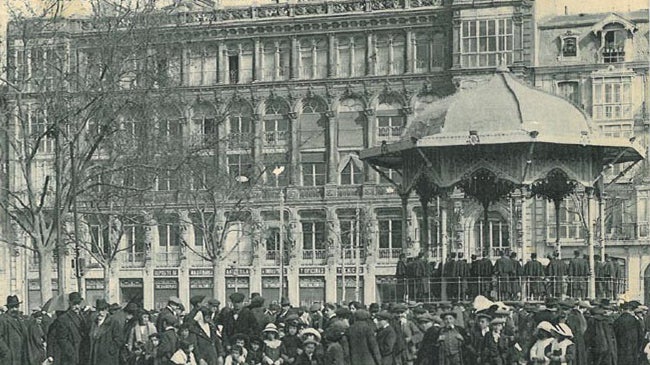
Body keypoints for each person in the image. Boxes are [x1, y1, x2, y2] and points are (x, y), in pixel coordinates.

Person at [48, 292, 86, 365]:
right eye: (74, 304)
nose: (77, 306)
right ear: (69, 303)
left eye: (78, 303)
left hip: (81, 354)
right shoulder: (64, 318)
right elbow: (62, 339)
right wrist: (71, 353)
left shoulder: (82, 316)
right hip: (71, 357)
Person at [88, 299, 123, 365]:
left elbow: (119, 339)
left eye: (103, 310)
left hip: (108, 358)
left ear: (107, 310)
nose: (100, 313)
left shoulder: (113, 322)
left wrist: (110, 350)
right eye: (98, 310)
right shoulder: (93, 323)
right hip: (95, 357)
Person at [0, 295, 26, 365]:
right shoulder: (3, 319)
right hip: (10, 356)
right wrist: (6, 351)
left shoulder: (20, 319)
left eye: (16, 307)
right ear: (8, 308)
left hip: (21, 355)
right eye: (12, 307)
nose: (15, 309)